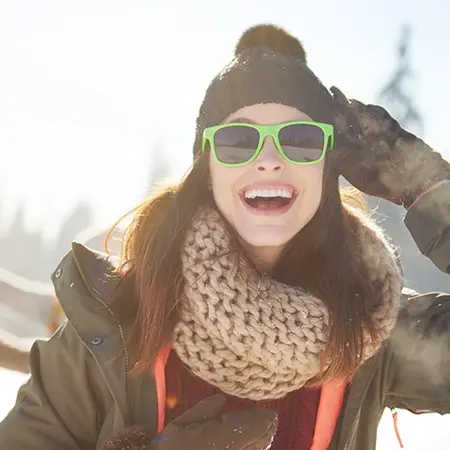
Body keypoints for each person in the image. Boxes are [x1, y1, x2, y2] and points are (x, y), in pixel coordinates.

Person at [0, 23, 449, 450]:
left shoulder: (373, 327)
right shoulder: (109, 325)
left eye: (299, 139)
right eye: (237, 140)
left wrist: (427, 187)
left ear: (328, 168)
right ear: (207, 168)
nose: (269, 159)